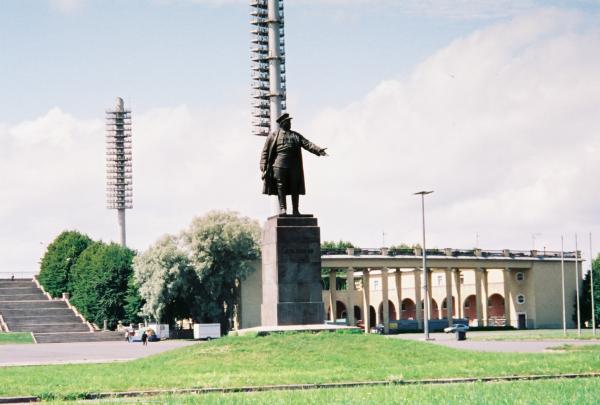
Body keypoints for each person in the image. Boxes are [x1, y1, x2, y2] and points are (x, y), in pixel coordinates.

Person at [260, 113, 328, 216]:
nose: (290, 124)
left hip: (294, 166)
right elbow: (265, 152)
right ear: (282, 123)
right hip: (279, 166)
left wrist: (318, 150)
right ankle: (283, 209)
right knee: (280, 187)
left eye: (290, 122)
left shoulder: (295, 135)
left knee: (294, 187)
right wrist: (263, 166)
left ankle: (295, 210)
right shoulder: (273, 136)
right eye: (288, 122)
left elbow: (307, 143)